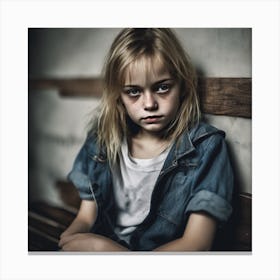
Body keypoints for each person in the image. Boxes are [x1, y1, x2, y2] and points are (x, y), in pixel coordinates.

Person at [58, 28, 234, 251]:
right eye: (133, 91)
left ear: (182, 85)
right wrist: (70, 239)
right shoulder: (102, 141)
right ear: (118, 96)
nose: (149, 104)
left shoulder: (206, 148)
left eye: (162, 87)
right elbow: (86, 216)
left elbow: (196, 244)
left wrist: (108, 252)